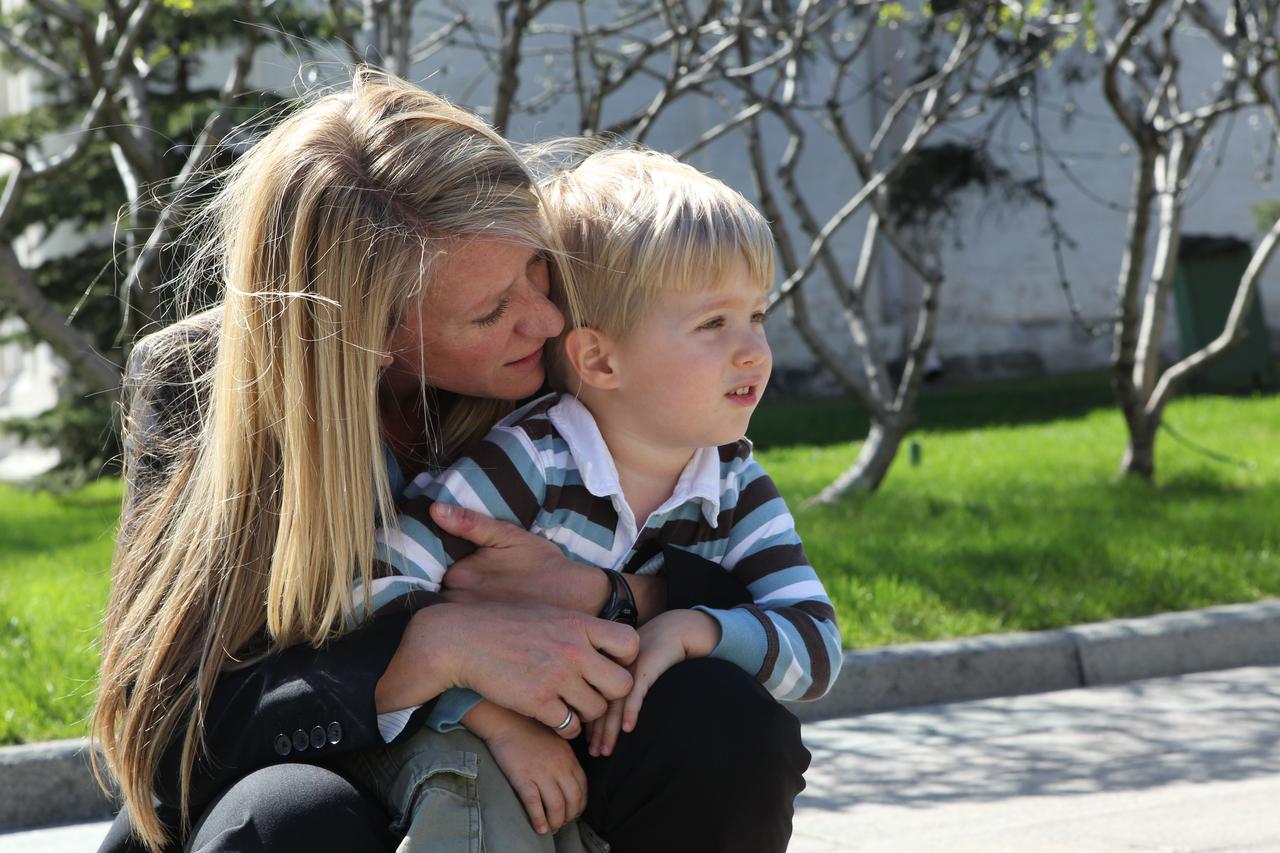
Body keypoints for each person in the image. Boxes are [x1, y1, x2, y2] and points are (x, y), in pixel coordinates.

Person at [93, 70, 810, 853]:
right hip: (324, 765)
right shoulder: (199, 379)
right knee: (290, 818)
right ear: (367, 333)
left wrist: (610, 594)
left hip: (557, 747)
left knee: (721, 718)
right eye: (490, 311)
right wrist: (431, 648)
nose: (543, 318)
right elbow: (165, 729)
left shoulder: (573, 342)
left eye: (536, 269)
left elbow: (756, 569)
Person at [349, 148, 843, 849]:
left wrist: (692, 627)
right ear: (599, 359)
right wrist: (490, 714)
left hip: (642, 773)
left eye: (757, 315)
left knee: (733, 723)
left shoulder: (735, 484)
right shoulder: (527, 463)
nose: (754, 350)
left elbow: (816, 649)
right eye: (713, 325)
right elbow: (370, 596)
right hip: (499, 754)